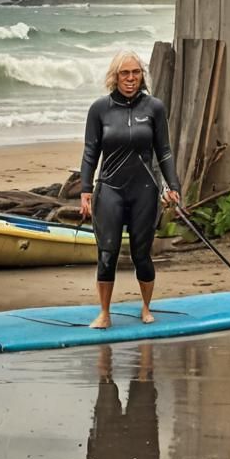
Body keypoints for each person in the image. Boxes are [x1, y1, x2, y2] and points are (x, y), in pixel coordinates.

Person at [80, 49, 181, 329]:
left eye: (136, 72)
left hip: (145, 190)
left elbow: (164, 152)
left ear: (142, 76)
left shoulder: (154, 108)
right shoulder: (99, 109)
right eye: (125, 73)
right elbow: (90, 152)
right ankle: (104, 312)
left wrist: (173, 186)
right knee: (108, 252)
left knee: (141, 253)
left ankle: (146, 307)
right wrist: (86, 189)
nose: (131, 78)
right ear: (115, 76)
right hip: (109, 189)